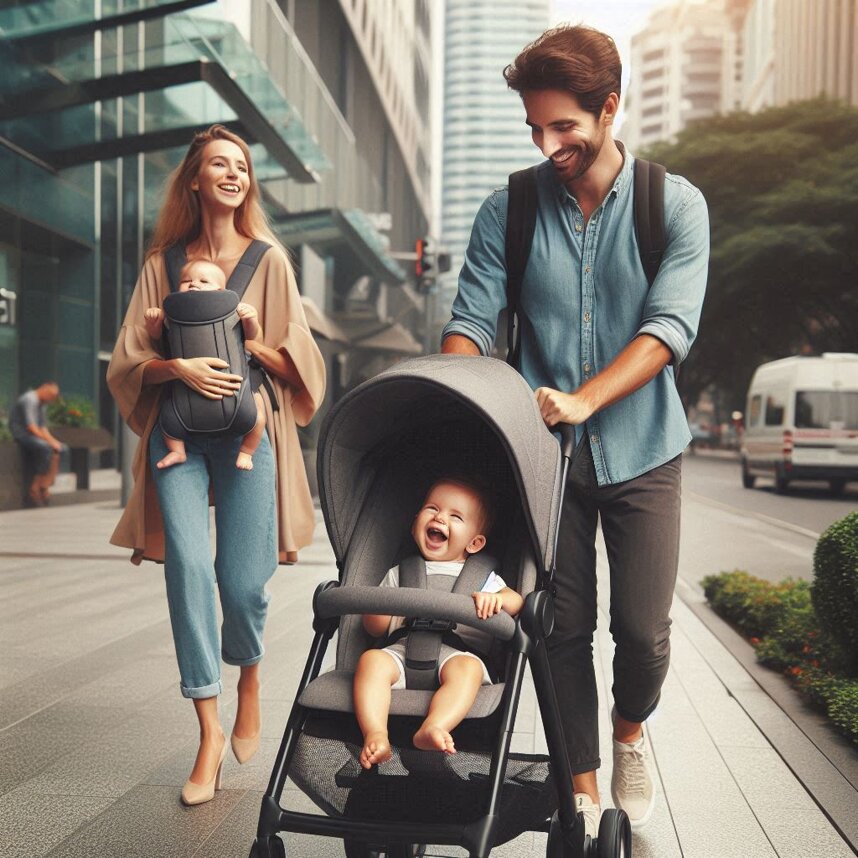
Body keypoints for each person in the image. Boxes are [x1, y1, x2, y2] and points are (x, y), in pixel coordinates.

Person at [441, 25, 709, 838]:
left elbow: (670, 327)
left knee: (643, 632)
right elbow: (470, 322)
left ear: (610, 107)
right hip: (541, 459)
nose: (547, 143)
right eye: (535, 128)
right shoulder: (509, 210)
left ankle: (630, 732)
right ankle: (581, 790)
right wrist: (458, 389)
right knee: (559, 629)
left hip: (644, 452)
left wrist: (589, 397)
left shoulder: (675, 205)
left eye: (564, 127)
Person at [107, 124, 325, 806]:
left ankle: (250, 674)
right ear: (195, 180)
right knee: (189, 571)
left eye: (241, 166)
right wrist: (179, 366)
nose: (232, 174)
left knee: (242, 583)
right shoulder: (161, 263)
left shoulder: (271, 262)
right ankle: (207, 727)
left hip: (245, 434)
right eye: (218, 165)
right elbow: (127, 359)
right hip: (179, 433)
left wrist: (243, 346)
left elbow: (305, 361)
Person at [354, 477, 523, 770]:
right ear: (414, 524)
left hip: (458, 653)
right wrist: (376, 610)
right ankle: (376, 734)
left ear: (475, 542)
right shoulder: (400, 573)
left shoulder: (483, 577)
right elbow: (375, 629)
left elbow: (517, 602)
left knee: (467, 670)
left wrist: (499, 600)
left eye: (455, 516)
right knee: (371, 661)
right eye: (432, 509)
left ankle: (434, 726)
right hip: (403, 650)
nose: (440, 517)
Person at [143, 258, 267, 471]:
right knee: (169, 421)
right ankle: (177, 451)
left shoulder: (234, 310)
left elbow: (251, 336)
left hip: (236, 381)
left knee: (258, 415)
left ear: (221, 290)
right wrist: (154, 323)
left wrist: (250, 319)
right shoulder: (171, 315)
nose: (193, 284)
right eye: (186, 280)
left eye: (203, 280)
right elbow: (158, 338)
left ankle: (246, 452)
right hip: (184, 389)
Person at [9, 381, 67, 507]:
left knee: (61, 449)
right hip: (22, 434)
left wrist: (54, 442)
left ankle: (45, 485)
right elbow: (32, 427)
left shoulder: (42, 404)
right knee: (46, 448)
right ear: (44, 387)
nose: (51, 399)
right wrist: (49, 442)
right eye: (51, 396)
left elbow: (43, 428)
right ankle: (35, 487)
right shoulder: (29, 399)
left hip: (34, 435)